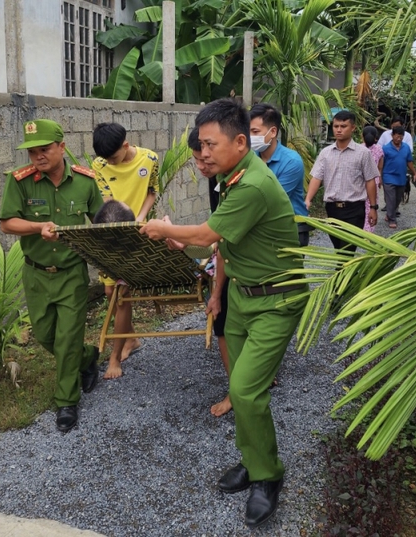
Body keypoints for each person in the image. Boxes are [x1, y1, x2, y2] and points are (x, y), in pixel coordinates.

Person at [140, 98, 306, 529]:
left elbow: (206, 232)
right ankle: (253, 461)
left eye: (210, 145)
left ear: (239, 141)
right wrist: (206, 273)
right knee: (238, 382)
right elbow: (221, 244)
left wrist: (163, 228)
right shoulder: (233, 178)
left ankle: (268, 477)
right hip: (244, 296)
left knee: (248, 391)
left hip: (276, 301)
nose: (204, 153)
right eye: (200, 146)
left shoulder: (252, 185)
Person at [0, 119, 103, 433]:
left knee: (68, 337)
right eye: (32, 152)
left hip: (72, 273)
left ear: (62, 147)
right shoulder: (20, 181)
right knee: (45, 335)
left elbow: (100, 222)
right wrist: (37, 227)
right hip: (37, 274)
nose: (38, 156)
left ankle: (66, 402)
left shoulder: (85, 181)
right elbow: (7, 223)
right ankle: (88, 358)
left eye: (44, 149)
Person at [91, 122, 160, 379]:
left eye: (114, 157)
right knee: (110, 291)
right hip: (111, 229)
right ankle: (131, 338)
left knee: (121, 293)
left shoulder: (150, 159)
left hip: (135, 232)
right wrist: (117, 225)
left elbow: (153, 191)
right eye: (105, 159)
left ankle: (114, 357)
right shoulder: (99, 165)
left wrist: (139, 219)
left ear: (126, 146)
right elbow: (106, 199)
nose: (109, 162)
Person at [187, 127, 232, 418]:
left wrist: (173, 234)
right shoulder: (216, 177)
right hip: (228, 261)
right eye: (197, 161)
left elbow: (214, 233)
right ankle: (236, 388)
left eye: (206, 159)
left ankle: (250, 381)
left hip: (252, 268)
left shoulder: (245, 181)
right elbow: (218, 231)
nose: (202, 167)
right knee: (222, 322)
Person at [305, 110, 379, 253]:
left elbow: (370, 180)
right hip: (332, 208)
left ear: (353, 128)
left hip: (354, 209)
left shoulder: (363, 153)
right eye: (336, 126)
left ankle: (341, 273)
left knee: (346, 249)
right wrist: (308, 199)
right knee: (338, 248)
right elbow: (316, 177)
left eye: (343, 126)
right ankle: (347, 273)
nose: (338, 130)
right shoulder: (325, 153)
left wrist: (373, 208)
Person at [249, 103, 310, 246]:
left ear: (273, 132)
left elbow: (271, 201)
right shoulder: (250, 157)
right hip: (261, 229)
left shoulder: (291, 161)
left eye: (255, 132)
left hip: (290, 229)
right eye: (248, 132)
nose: (250, 137)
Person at [381, 125, 416, 229]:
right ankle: (392, 219)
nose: (399, 139)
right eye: (397, 136)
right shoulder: (385, 148)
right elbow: (381, 165)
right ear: (392, 135)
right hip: (388, 177)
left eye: (401, 137)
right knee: (391, 199)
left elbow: (409, 161)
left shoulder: (406, 147)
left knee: (397, 199)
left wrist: (414, 172)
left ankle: (389, 214)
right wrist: (379, 177)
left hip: (401, 178)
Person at [362, 126, 384, 233]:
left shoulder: (359, 148)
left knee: (361, 204)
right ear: (376, 138)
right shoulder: (379, 149)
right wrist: (379, 178)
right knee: (371, 205)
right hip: (373, 181)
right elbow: (380, 166)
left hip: (361, 181)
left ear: (362, 137)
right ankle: (368, 229)